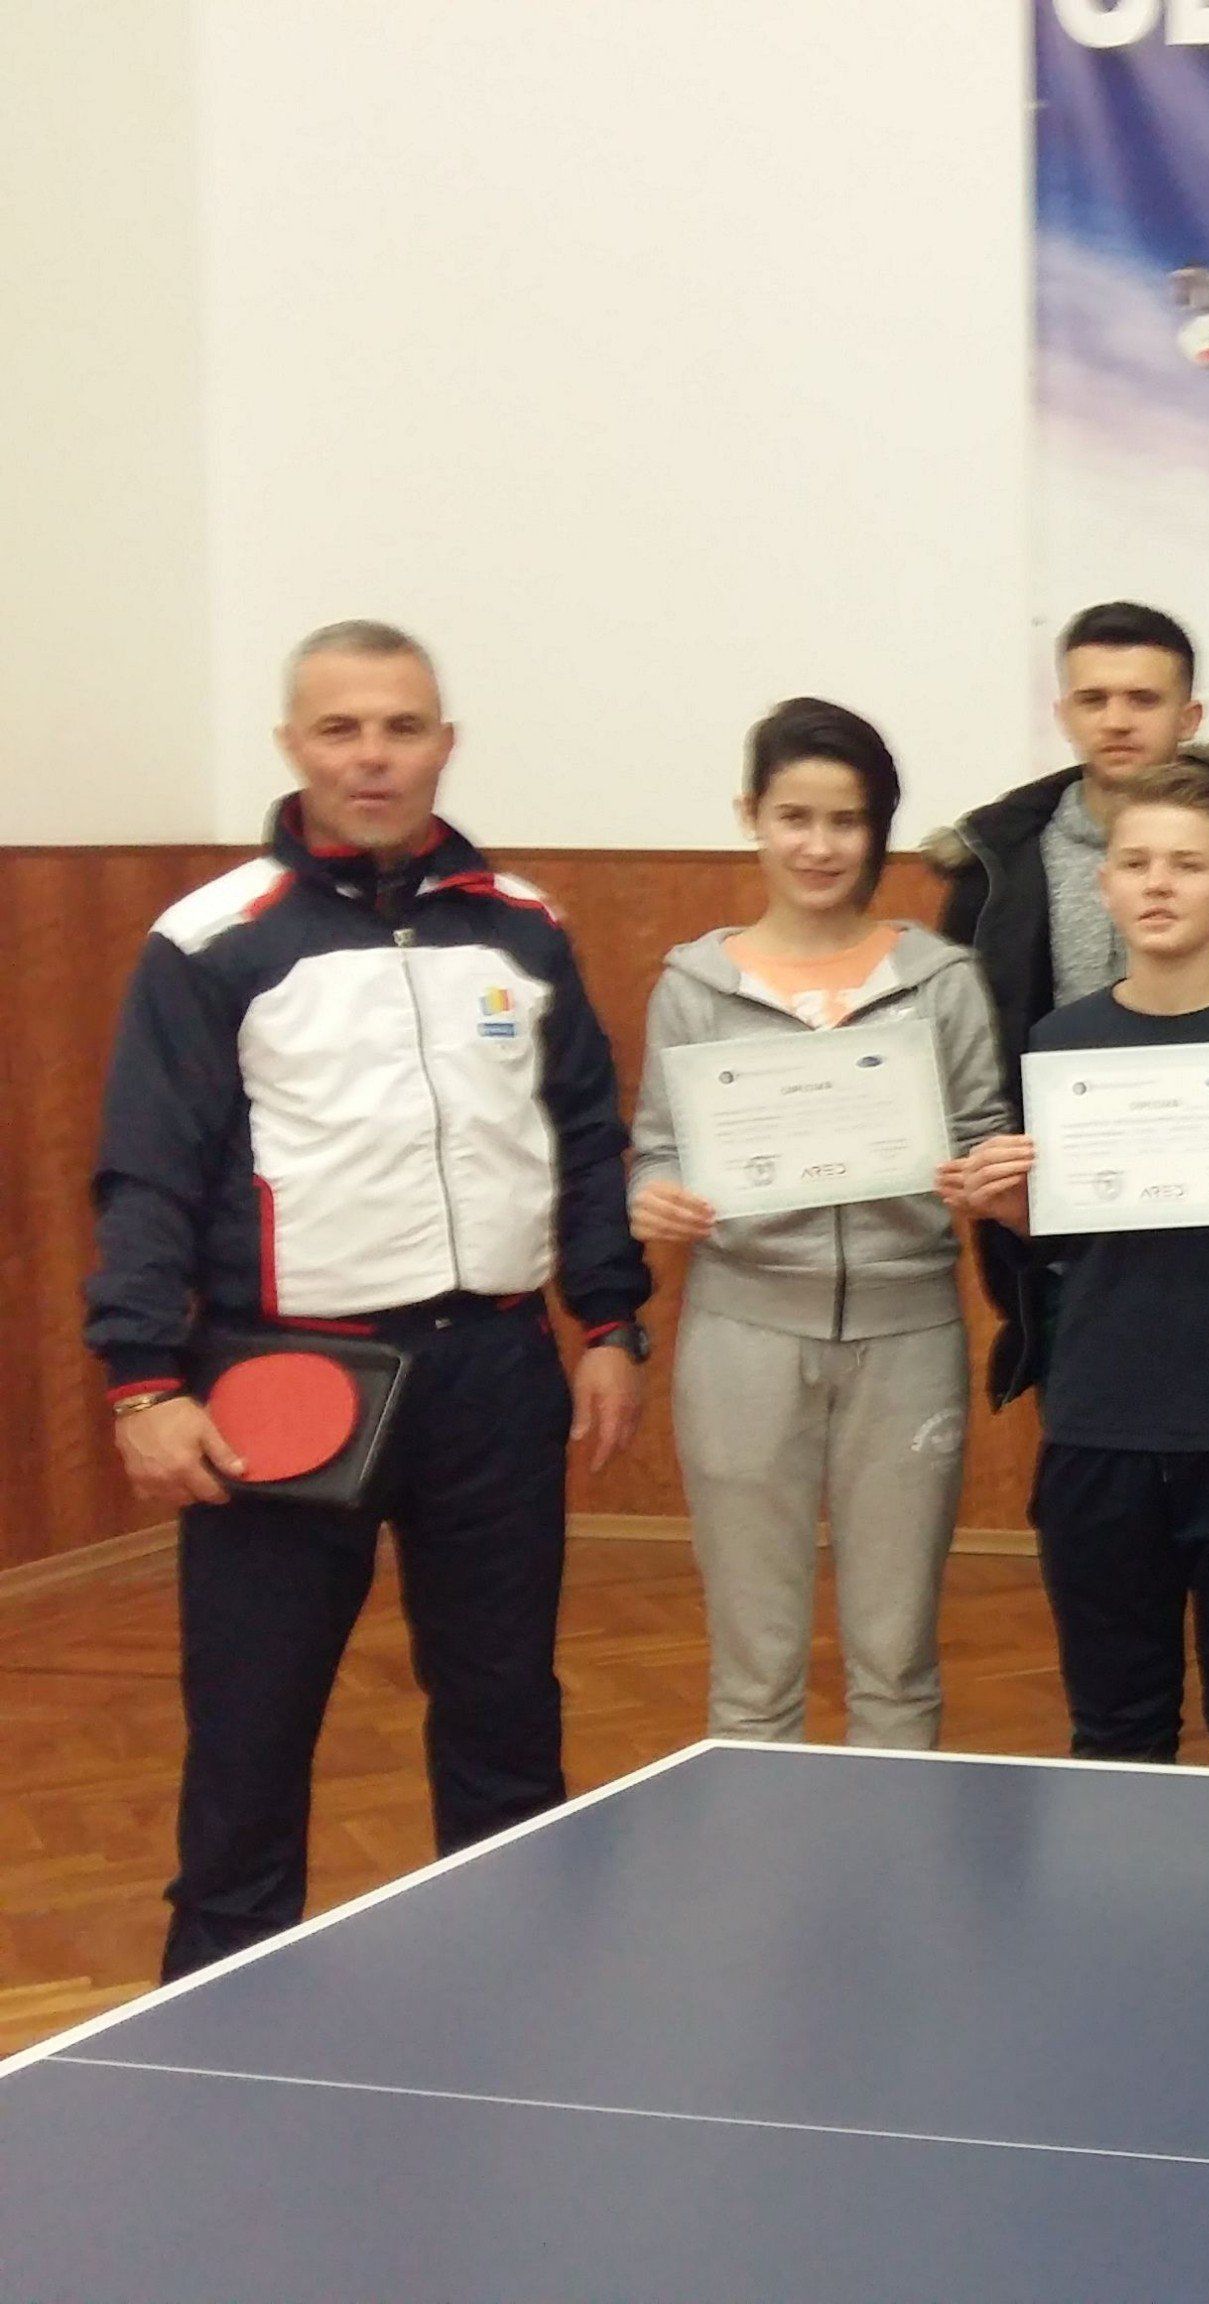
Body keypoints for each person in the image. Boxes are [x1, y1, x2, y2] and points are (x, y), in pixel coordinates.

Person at [90, 621, 652, 1979]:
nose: (373, 756)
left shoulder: (525, 928)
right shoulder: (211, 939)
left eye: (401, 727)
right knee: (251, 1730)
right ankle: (213, 2025)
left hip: (495, 1375)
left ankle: (523, 1990)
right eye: (341, 728)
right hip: (285, 1387)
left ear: (445, 743)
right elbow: (148, 1170)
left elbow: (585, 1137)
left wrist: (609, 1320)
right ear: (292, 745)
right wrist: (142, 1381)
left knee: (506, 1717)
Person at [939, 764, 1209, 1772]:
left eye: (1186, 865)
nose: (1159, 883)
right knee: (1116, 1725)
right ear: (1105, 886)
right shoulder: (1061, 1040)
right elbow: (1060, 1239)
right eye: (1135, 863)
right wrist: (1008, 1208)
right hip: (1101, 1420)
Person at [627, 699, 1007, 1752]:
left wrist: (988, 1178)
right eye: (794, 817)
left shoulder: (941, 981)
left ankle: (896, 1855)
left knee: (897, 1658)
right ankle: (763, 1857)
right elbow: (656, 1148)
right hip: (742, 1337)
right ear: (751, 815)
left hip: (908, 1336)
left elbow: (985, 1139)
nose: (820, 846)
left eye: (846, 821)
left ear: (878, 829)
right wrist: (653, 1196)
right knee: (753, 1670)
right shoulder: (694, 985)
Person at [928, 604, 1209, 1098]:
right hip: (1053, 1128)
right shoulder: (994, 858)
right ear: (1064, 716)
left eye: (1143, 700)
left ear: (1189, 718)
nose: (1116, 722)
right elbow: (968, 1038)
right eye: (1093, 700)